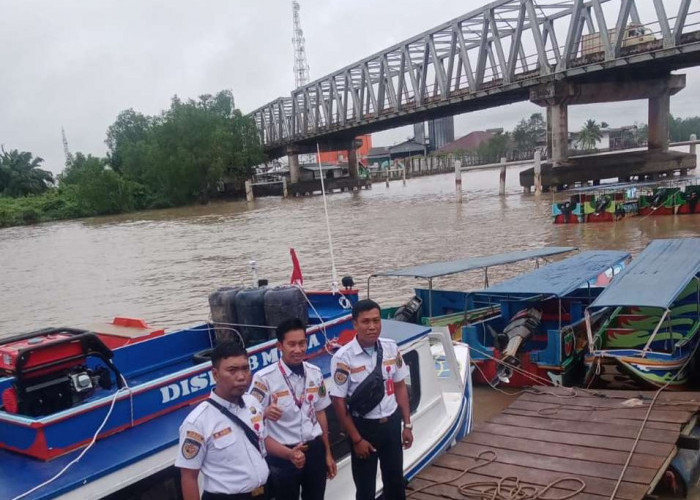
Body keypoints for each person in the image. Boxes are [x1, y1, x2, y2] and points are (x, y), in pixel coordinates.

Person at [176, 341, 306, 500]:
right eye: (232, 370)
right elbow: (189, 477)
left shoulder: (252, 403)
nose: (241, 376)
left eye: (245, 368)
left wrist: (289, 454)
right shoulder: (197, 422)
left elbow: (262, 439)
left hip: (263, 493)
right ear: (215, 374)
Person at [329, 299, 413, 500]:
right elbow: (338, 401)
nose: (372, 326)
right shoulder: (343, 358)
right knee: (365, 487)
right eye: (366, 322)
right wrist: (356, 439)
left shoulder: (391, 348)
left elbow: (400, 386)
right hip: (364, 428)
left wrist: (407, 425)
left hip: (391, 424)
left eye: (376, 320)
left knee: (395, 482)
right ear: (355, 324)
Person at [250, 318, 337, 500]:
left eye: (302, 343)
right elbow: (250, 421)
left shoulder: (315, 372)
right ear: (279, 346)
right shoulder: (263, 379)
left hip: (313, 450)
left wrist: (327, 453)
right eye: (291, 344)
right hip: (282, 456)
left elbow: (320, 412)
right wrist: (265, 413)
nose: (298, 350)